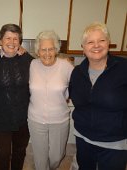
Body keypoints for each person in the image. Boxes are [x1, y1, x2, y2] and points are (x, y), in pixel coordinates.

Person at [69, 22, 127, 170]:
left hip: (113, 143)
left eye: (101, 40)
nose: (96, 45)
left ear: (108, 43)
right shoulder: (77, 72)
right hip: (83, 138)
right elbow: (77, 100)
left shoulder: (123, 68)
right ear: (83, 47)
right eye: (90, 42)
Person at [28, 30, 74, 170]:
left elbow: (77, 87)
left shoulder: (66, 67)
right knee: (40, 160)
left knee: (57, 156)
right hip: (36, 120)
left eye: (51, 49)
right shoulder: (32, 65)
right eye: (43, 49)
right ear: (37, 51)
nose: (47, 53)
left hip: (59, 120)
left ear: (56, 50)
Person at [0, 23, 34, 170]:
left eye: (15, 39)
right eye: (7, 38)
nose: (11, 42)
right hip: (1, 118)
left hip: (23, 118)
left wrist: (27, 54)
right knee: (2, 154)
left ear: (20, 42)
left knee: (19, 152)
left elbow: (45, 68)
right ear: (0, 41)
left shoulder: (28, 60)